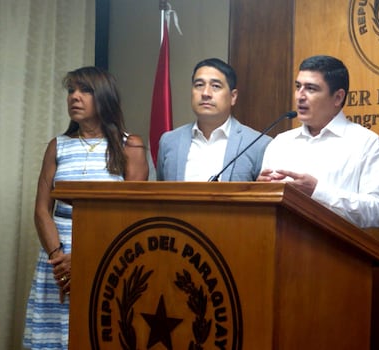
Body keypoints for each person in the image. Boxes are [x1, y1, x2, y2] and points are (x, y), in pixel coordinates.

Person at [24, 66, 149, 349]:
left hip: (108, 258)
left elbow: (132, 216)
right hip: (57, 266)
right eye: (71, 91)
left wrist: (84, 259)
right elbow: (42, 210)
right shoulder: (58, 146)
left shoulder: (131, 145)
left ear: (104, 97)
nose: (75, 97)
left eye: (85, 90)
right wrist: (61, 260)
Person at [257, 55, 379, 228]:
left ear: (337, 97)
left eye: (311, 89)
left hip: (336, 251)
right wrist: (261, 190)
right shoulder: (281, 143)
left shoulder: (366, 143)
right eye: (298, 87)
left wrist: (317, 191)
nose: (300, 96)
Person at [157, 58, 270, 181]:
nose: (206, 93)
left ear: (233, 97)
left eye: (216, 86)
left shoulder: (258, 144)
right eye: (199, 85)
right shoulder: (169, 141)